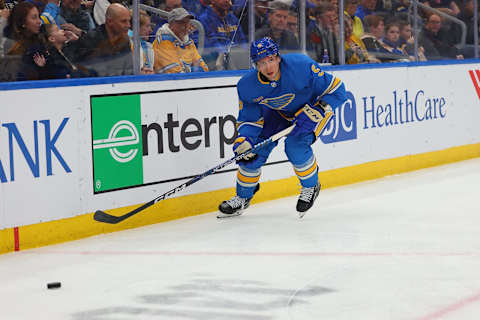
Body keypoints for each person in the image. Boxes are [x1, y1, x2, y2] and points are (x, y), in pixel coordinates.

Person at [218, 37, 347, 218]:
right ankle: (243, 197)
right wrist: (245, 139)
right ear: (255, 65)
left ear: (278, 57)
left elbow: (339, 91)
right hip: (277, 114)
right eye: (262, 63)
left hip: (311, 111)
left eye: (271, 60)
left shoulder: (301, 65)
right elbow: (249, 119)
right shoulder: (247, 86)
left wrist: (320, 107)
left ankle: (311, 186)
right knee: (251, 154)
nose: (268, 67)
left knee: (295, 146)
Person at [153, 7, 208, 73]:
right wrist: (194, 69)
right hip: (166, 82)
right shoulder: (163, 41)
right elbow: (175, 73)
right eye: (181, 22)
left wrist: (190, 70)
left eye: (187, 22)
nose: (185, 26)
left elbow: (204, 68)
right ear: (171, 24)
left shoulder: (189, 42)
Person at [198, 0, 247, 70]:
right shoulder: (204, 19)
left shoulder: (232, 18)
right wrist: (228, 53)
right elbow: (210, 47)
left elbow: (243, 41)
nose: (227, 1)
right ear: (212, 1)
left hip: (237, 61)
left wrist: (242, 53)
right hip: (215, 65)